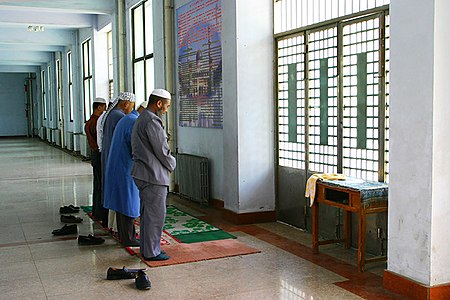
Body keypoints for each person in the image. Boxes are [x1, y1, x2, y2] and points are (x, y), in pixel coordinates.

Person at [131, 89, 176, 261]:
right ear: (158, 103)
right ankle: (152, 252)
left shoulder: (142, 118)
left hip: (144, 173)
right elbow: (162, 151)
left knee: (148, 214)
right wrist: (172, 164)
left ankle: (147, 248)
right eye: (166, 106)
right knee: (155, 215)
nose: (166, 110)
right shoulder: (152, 121)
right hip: (152, 175)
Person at [104, 101, 148, 247]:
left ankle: (126, 236)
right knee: (128, 203)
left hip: (119, 166)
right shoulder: (133, 121)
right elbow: (135, 147)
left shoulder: (127, 119)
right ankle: (129, 238)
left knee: (123, 203)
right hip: (125, 168)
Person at [101, 92, 136, 229]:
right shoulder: (120, 117)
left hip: (111, 156)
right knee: (122, 195)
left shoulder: (113, 114)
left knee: (114, 193)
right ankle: (120, 228)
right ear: (126, 104)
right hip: (118, 159)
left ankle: (111, 224)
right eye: (130, 107)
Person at [84, 97, 107, 222]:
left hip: (94, 155)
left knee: (97, 184)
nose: (105, 109)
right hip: (98, 155)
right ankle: (100, 212)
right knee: (100, 185)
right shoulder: (96, 122)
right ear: (99, 107)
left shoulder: (90, 121)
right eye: (104, 107)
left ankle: (96, 211)